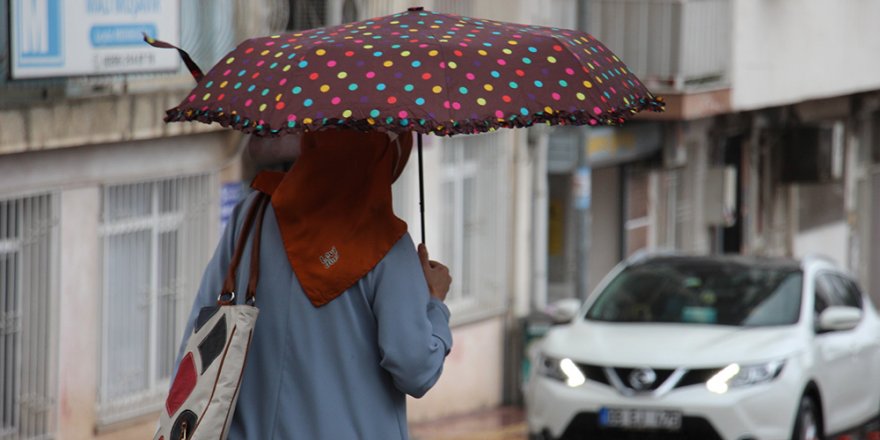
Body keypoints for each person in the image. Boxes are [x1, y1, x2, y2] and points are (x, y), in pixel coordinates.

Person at [176, 129, 453, 439]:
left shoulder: (251, 215)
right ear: (385, 159)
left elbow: (199, 331)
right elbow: (415, 369)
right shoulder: (388, 247)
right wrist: (434, 304)